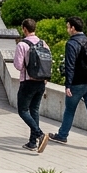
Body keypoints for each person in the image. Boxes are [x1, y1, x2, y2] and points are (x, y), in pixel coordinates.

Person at [47, 17, 87, 150]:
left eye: (68, 27)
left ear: (73, 28)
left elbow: (70, 66)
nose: (67, 29)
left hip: (77, 84)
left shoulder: (72, 44)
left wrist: (68, 85)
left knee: (69, 110)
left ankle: (62, 135)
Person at [13, 18, 50, 153]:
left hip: (27, 82)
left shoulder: (22, 45)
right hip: (41, 82)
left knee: (23, 110)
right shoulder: (43, 43)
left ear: (24, 29)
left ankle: (39, 134)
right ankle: (32, 142)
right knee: (34, 110)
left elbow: (18, 65)